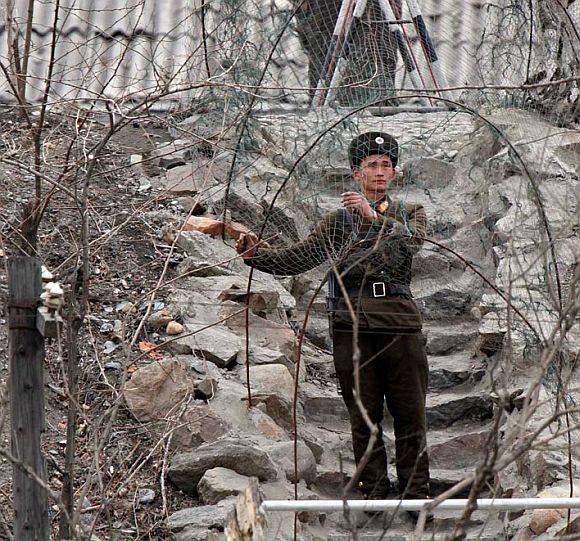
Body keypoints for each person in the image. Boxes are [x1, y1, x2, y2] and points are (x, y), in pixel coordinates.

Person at [235, 132, 431, 518]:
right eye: (371, 165)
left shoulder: (410, 212)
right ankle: (374, 492)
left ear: (395, 172)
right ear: (355, 173)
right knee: (364, 414)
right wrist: (257, 256)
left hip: (400, 324)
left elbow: (409, 244)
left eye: (385, 165)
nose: (379, 172)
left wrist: (372, 216)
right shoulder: (338, 221)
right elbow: (298, 258)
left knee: (411, 413)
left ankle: (417, 495)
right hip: (352, 325)